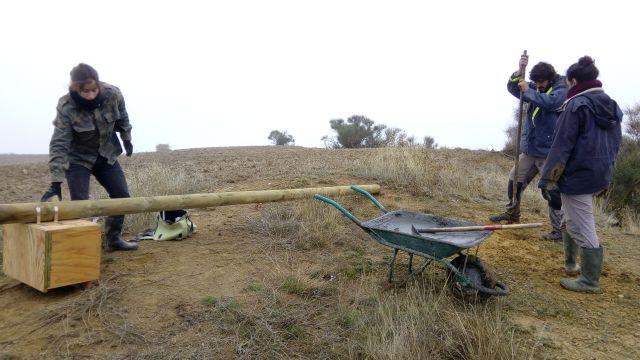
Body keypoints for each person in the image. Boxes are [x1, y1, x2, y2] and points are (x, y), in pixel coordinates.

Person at [539, 56, 622, 293]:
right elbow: (617, 145)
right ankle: (570, 264)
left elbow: (560, 147)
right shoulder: (612, 105)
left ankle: (589, 280)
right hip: (599, 174)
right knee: (570, 218)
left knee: (581, 225)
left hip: (577, 176)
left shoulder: (575, 106)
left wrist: (547, 179)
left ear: (574, 81)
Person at [40, 63, 139, 251]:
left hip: (106, 154)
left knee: (122, 196)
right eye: (86, 91)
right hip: (78, 159)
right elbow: (59, 143)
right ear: (75, 88)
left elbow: (123, 117)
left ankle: (113, 239)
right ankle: (79, 249)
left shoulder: (113, 93)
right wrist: (56, 182)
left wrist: (127, 138)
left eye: (94, 90)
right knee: (80, 205)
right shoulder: (66, 106)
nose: (91, 95)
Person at [490, 54, 567, 241]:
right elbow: (513, 88)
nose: (538, 85)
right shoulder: (537, 87)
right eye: (536, 83)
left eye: (541, 83)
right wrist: (519, 70)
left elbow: (551, 103)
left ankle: (559, 230)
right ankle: (512, 214)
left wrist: (530, 91)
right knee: (514, 180)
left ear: (549, 79)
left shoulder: (561, 89)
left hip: (549, 152)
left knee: (551, 190)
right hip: (530, 149)